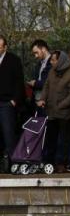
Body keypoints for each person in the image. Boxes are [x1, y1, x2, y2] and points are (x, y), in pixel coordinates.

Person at [41, 51, 70, 173]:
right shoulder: (52, 72)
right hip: (51, 112)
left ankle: (61, 163)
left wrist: (61, 105)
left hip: (64, 113)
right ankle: (49, 162)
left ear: (60, 61)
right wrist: (42, 99)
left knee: (63, 140)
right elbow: (46, 86)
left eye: (53, 60)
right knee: (50, 138)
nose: (51, 62)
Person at [0, 36, 25, 172]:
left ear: (5, 47)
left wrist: (14, 100)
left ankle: (13, 164)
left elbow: (19, 81)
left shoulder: (13, 60)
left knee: (9, 134)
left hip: (7, 103)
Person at [28, 39, 52, 105]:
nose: (36, 56)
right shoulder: (39, 64)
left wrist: (35, 83)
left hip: (48, 101)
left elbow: (51, 82)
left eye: (36, 52)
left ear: (43, 49)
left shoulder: (53, 62)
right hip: (38, 99)